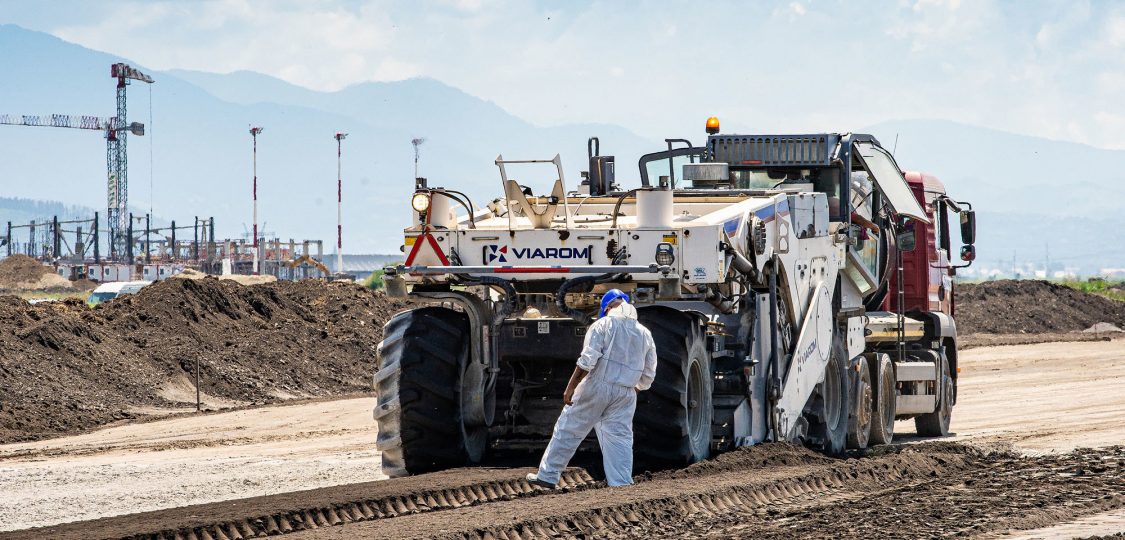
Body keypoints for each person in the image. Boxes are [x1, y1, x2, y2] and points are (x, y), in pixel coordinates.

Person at [526, 289, 658, 488]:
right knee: (619, 439)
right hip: (627, 392)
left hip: (597, 385)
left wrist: (570, 387)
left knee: (569, 428)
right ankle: (621, 483)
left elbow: (587, 360)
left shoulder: (602, 325)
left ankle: (548, 475)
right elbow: (649, 373)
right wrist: (631, 390)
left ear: (607, 308)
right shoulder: (644, 333)